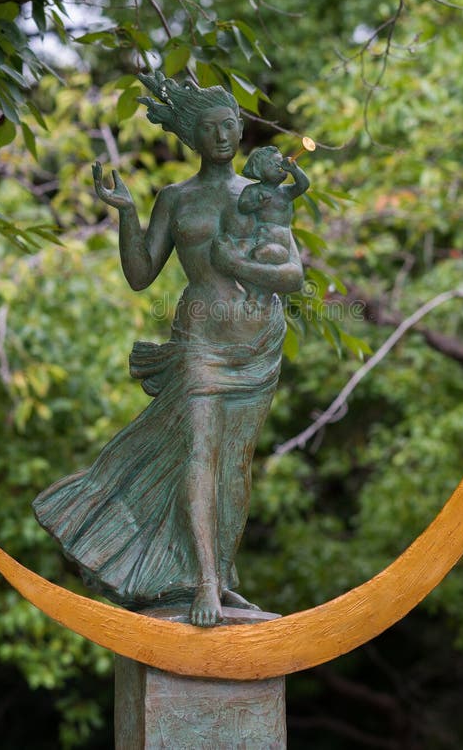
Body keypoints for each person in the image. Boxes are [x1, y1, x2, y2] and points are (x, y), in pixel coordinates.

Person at [33, 78, 303, 627]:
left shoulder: (261, 194)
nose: (223, 136)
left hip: (257, 346)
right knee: (201, 453)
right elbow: (139, 274)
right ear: (191, 136)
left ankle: (223, 577)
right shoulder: (176, 199)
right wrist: (126, 213)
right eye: (210, 127)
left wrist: (240, 267)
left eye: (230, 124)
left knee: (237, 465)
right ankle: (202, 580)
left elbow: (293, 274)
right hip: (201, 341)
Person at [237, 145, 310, 306]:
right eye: (273, 164)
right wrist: (257, 202)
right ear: (259, 170)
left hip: (279, 244)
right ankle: (257, 293)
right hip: (257, 239)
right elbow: (242, 205)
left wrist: (295, 170)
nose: (280, 166)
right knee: (235, 258)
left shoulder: (286, 193)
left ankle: (261, 295)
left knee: (260, 256)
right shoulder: (253, 190)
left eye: (280, 162)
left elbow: (304, 185)